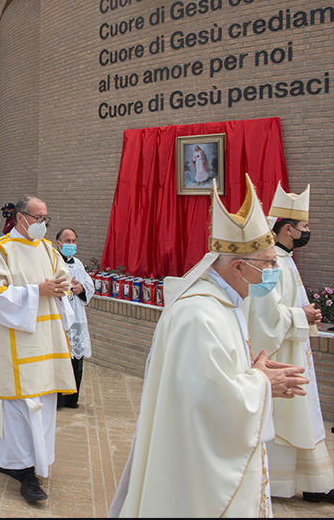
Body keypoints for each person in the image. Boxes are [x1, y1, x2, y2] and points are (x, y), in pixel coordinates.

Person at [110, 175, 310, 517]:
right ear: (238, 266)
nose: (274, 270)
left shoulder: (225, 303)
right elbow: (206, 400)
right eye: (268, 263)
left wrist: (254, 372)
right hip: (195, 475)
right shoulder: (200, 315)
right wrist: (263, 384)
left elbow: (218, 379)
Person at [0, 195, 75, 502]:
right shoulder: (0, 250)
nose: (42, 224)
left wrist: (62, 286)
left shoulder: (48, 248)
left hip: (46, 340)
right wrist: (38, 291)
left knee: (44, 402)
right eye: (38, 218)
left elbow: (64, 278)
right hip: (15, 344)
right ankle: (21, 469)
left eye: (46, 218)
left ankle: (37, 460)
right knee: (20, 407)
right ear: (20, 219)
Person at [245, 183, 333, 503]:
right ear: (287, 229)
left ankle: (315, 482)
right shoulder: (273, 262)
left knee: (303, 414)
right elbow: (264, 314)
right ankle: (290, 483)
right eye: (304, 226)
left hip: (295, 347)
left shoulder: (286, 258)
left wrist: (306, 314)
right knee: (288, 416)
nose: (307, 231)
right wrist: (301, 314)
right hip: (281, 352)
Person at [55, 228, 95, 408]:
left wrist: (81, 289)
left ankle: (72, 399)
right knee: (59, 358)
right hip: (59, 317)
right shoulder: (53, 261)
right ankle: (58, 399)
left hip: (77, 317)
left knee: (76, 362)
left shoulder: (78, 264)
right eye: (67, 241)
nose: (71, 244)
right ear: (58, 243)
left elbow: (89, 285)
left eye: (73, 241)